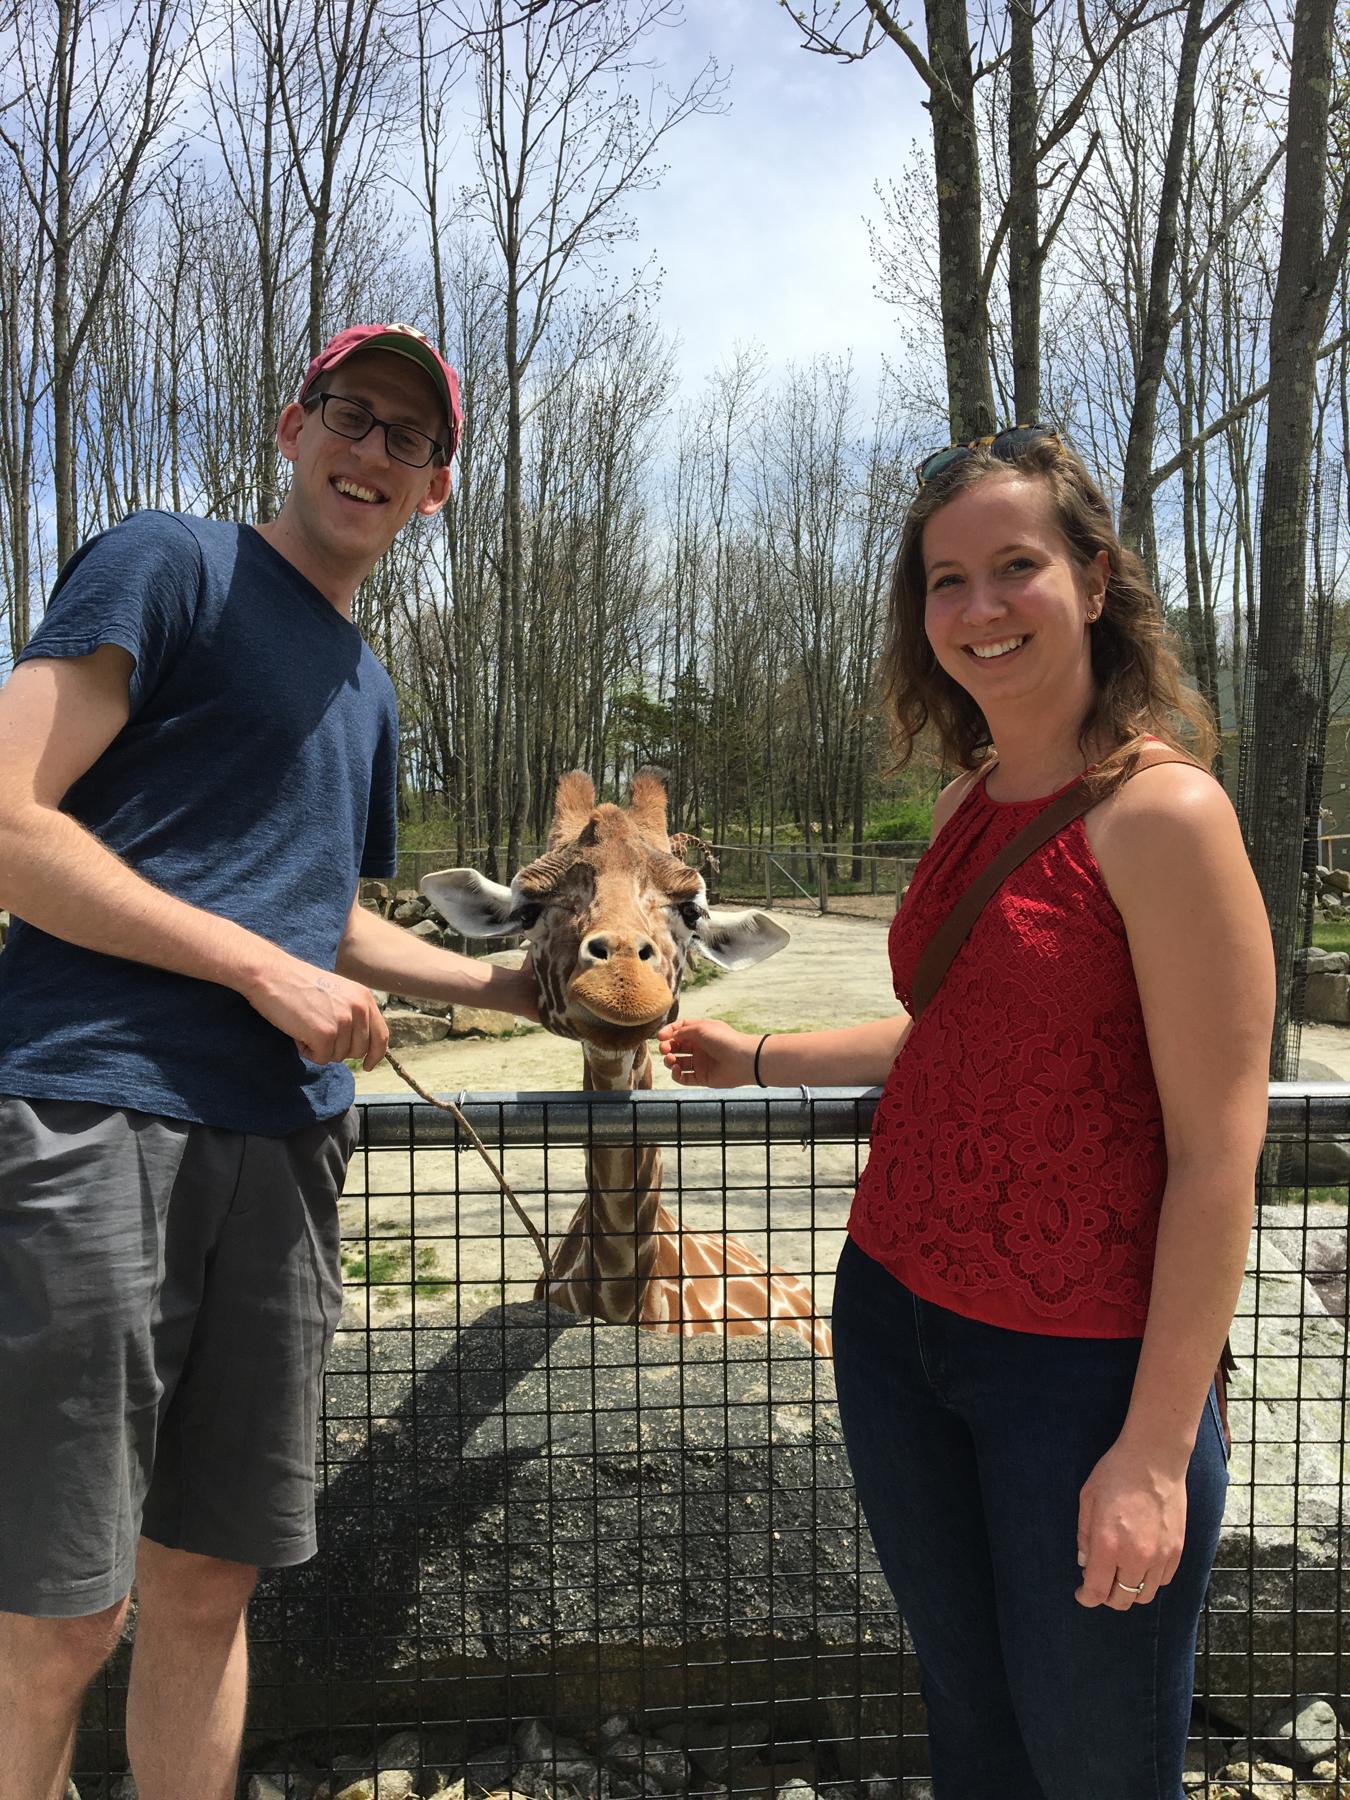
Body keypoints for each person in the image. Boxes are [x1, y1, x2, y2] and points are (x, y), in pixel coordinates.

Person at [659, 427, 1274, 1800]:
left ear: (1095, 579)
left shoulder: (1164, 818)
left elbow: (1217, 1155)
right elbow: (962, 1041)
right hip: (891, 1320)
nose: (979, 610)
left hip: (1076, 1373)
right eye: (946, 582)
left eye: (1014, 568)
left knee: (1095, 1757)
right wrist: (758, 1060)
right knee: (971, 1728)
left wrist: (1154, 1451)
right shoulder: (966, 800)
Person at [0, 323, 537, 1800]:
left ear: (435, 492)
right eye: (349, 418)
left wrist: (520, 981)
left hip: (285, 1149)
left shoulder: (363, 687)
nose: (371, 454)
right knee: (60, 1616)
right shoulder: (167, 564)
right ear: (288, 429)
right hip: (95, 1101)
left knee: (206, 1587)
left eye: (406, 442)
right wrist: (251, 967)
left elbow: (330, 923)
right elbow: (10, 823)